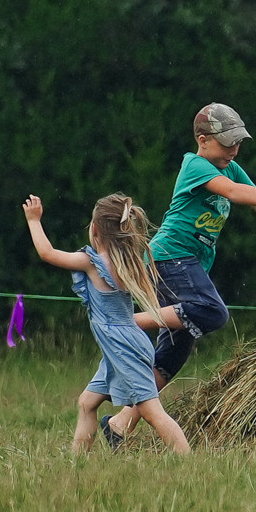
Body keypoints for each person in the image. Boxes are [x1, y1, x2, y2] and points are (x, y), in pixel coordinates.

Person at [107, 103, 256, 440]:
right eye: (227, 143)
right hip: (171, 257)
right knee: (211, 312)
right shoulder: (194, 166)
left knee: (173, 355)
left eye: (238, 143)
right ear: (203, 140)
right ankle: (126, 322)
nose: (234, 150)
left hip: (185, 263)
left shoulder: (231, 166)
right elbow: (236, 194)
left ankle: (119, 424)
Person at [23, 193, 192, 455]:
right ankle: (77, 464)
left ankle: (188, 463)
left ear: (95, 229)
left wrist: (34, 220)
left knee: (152, 412)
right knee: (87, 403)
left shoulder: (93, 263)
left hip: (124, 347)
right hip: (123, 346)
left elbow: (47, 253)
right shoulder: (127, 260)